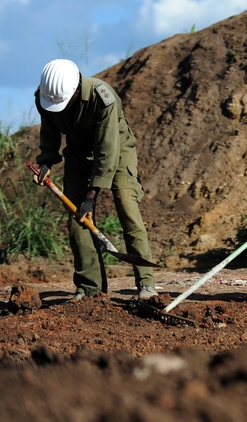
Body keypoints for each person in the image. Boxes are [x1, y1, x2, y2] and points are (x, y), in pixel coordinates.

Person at [33, 59, 156, 302]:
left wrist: (91, 196)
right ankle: (90, 289)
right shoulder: (45, 96)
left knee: (127, 210)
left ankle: (146, 285)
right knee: (78, 220)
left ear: (77, 89)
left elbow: (107, 151)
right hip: (78, 155)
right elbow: (49, 133)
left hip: (117, 153)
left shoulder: (103, 97)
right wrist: (45, 162)